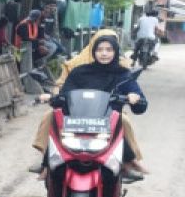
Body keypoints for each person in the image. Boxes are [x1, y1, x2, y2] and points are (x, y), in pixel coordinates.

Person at [30, 28, 147, 178]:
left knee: (123, 119)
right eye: (100, 49)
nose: (104, 53)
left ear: (116, 49)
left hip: (109, 115)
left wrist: (134, 98)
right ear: (92, 48)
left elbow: (139, 101)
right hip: (77, 113)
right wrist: (52, 97)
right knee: (52, 115)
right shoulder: (79, 70)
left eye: (109, 49)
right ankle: (48, 161)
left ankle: (129, 161)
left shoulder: (123, 73)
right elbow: (65, 91)